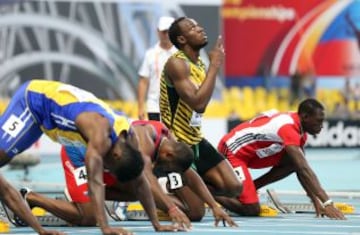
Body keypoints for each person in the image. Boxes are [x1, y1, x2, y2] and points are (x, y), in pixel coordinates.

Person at [0, 79, 180, 235]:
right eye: (109, 167)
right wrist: (105, 227)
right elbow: (95, 181)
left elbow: (140, 180)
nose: (106, 169)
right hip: (32, 103)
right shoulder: (99, 135)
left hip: (48, 122)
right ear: (116, 155)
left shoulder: (130, 139)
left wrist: (157, 224)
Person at [20, 120, 236, 228]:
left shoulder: (167, 141)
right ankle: (30, 197)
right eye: (168, 169)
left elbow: (191, 175)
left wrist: (215, 205)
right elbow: (147, 178)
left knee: (136, 192)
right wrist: (170, 208)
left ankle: (88, 196)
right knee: (88, 218)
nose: (166, 172)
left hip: (108, 163)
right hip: (79, 155)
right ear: (168, 155)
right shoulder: (144, 142)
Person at [216, 98, 346, 219]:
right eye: (318, 121)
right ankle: (209, 191)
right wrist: (327, 202)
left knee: (293, 161)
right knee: (251, 209)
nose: (322, 126)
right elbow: (304, 169)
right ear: (305, 117)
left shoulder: (300, 132)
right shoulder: (288, 127)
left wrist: (316, 202)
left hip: (252, 154)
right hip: (232, 151)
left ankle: (251, 188)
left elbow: (301, 169)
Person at [159, 17, 242, 205]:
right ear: (181, 39)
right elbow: (198, 104)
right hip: (177, 142)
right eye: (193, 28)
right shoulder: (177, 64)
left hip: (195, 139)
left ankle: (184, 188)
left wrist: (211, 67)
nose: (200, 28)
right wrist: (215, 66)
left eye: (198, 25)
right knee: (196, 213)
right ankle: (159, 191)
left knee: (233, 187)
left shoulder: (200, 65)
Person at [137, 16, 177, 121]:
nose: (166, 35)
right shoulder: (150, 54)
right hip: (154, 107)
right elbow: (143, 81)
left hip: (177, 108)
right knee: (157, 136)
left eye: (169, 31)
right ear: (158, 32)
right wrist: (141, 107)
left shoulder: (181, 54)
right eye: (163, 31)